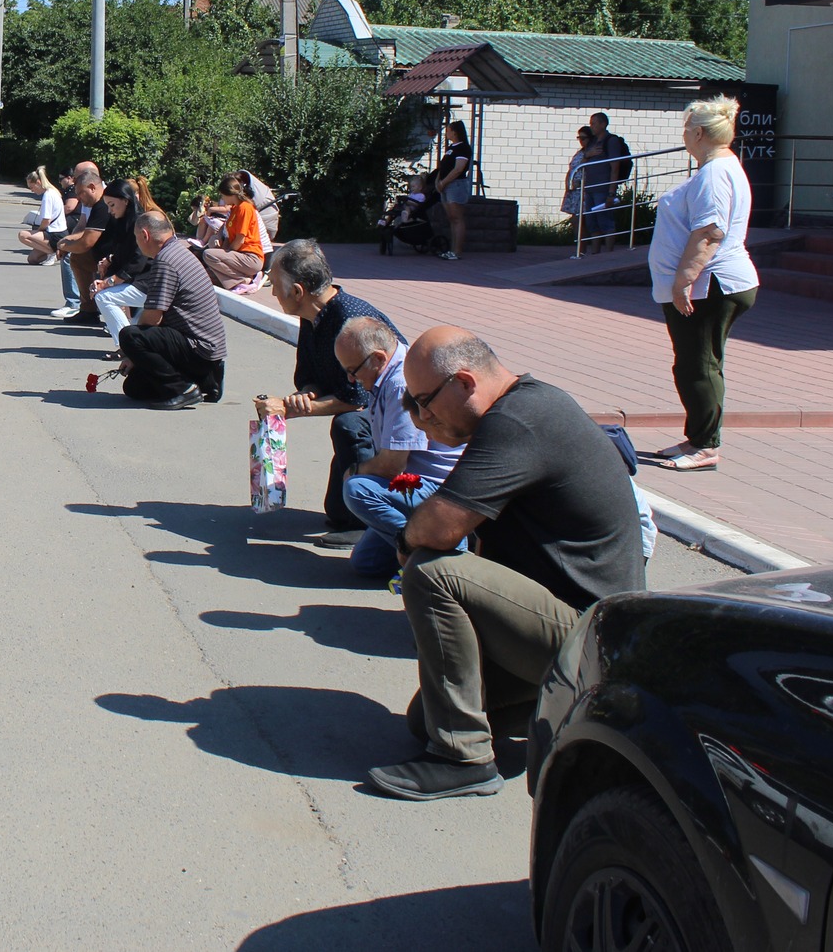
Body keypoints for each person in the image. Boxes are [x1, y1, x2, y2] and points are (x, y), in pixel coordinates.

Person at [368, 327, 644, 801]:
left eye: (424, 403)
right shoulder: (518, 411)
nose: (421, 417)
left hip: (594, 638)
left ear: (464, 383)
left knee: (432, 572)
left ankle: (463, 759)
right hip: (578, 630)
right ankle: (573, 716)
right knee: (425, 719)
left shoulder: (520, 420)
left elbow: (439, 527)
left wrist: (405, 539)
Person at [253, 240, 402, 545]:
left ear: (298, 292)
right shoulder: (313, 315)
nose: (273, 292)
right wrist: (307, 393)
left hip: (397, 411)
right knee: (336, 510)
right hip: (372, 404)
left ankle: (367, 522)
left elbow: (356, 400)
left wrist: (292, 409)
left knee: (350, 425)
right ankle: (349, 512)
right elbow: (312, 375)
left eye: (275, 285)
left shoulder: (349, 319)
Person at [647, 96, 758, 473]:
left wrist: (683, 281)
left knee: (698, 366)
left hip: (711, 285)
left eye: (685, 128)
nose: (683, 135)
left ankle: (706, 446)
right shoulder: (721, 167)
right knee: (698, 363)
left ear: (698, 133)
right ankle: (697, 438)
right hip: (713, 283)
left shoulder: (715, 173)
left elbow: (710, 231)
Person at [332, 315, 465, 579]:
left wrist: (354, 470)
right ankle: (422, 546)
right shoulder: (386, 375)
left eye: (353, 370)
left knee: (356, 488)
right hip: (415, 483)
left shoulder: (400, 383)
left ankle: (441, 555)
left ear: (378, 358)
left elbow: (392, 466)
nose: (350, 379)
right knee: (366, 562)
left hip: (438, 487)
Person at [117, 210, 227, 408]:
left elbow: (152, 319)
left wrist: (131, 353)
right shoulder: (177, 251)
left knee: (130, 336)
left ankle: (182, 389)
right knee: (134, 387)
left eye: (136, 237)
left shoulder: (165, 261)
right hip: (203, 348)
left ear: (144, 235)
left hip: (199, 349)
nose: (136, 242)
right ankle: (205, 382)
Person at [88, 179, 149, 345]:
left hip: (151, 283)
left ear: (125, 201)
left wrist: (108, 282)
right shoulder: (124, 221)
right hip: (141, 280)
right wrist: (109, 260)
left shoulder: (140, 222)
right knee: (103, 294)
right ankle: (128, 344)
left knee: (104, 297)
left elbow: (137, 261)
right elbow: (124, 252)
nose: (109, 211)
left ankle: (127, 345)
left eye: (112, 205)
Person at [53, 164, 109, 321]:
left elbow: (86, 242)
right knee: (78, 258)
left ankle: (78, 303)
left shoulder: (103, 204)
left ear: (91, 186)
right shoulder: (94, 202)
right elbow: (83, 228)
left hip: (117, 256)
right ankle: (88, 310)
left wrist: (64, 245)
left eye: (80, 193)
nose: (78, 198)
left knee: (77, 254)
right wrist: (67, 241)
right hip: (105, 252)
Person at [194, 172, 266, 289]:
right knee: (207, 274)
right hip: (239, 255)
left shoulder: (245, 208)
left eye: (223, 195)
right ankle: (236, 280)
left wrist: (226, 254)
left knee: (208, 254)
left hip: (250, 257)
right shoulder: (234, 209)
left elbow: (240, 239)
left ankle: (244, 280)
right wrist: (222, 248)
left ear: (230, 194)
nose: (222, 199)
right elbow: (228, 236)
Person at [582, 111, 632, 251]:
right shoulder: (592, 142)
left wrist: (611, 192)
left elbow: (615, 167)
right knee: (592, 223)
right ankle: (595, 253)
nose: (591, 126)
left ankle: (609, 253)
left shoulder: (611, 141)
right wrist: (588, 154)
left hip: (603, 188)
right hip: (590, 188)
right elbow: (582, 163)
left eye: (594, 124)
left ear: (603, 124)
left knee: (605, 221)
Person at [432, 120, 472, 261]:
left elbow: (458, 169)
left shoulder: (463, 148)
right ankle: (452, 250)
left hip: (456, 185)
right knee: (451, 218)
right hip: (445, 186)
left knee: (457, 218)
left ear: (455, 132)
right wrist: (438, 181)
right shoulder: (451, 148)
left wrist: (444, 182)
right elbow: (444, 166)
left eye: (448, 130)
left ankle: (457, 251)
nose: (446, 133)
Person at [16, 165, 69, 263]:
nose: (31, 190)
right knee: (32, 259)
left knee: (22, 235)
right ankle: (56, 254)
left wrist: (38, 231)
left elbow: (46, 220)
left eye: (32, 187)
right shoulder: (52, 192)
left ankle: (52, 252)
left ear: (38, 182)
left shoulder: (47, 196)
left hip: (54, 234)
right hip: (59, 232)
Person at [377, 174, 439, 255]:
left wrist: (409, 202)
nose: (411, 188)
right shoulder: (412, 195)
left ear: (420, 187)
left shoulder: (421, 196)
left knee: (407, 208)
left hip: (414, 209)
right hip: (408, 208)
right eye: (411, 187)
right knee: (393, 211)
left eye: (413, 186)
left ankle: (405, 219)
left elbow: (419, 204)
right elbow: (408, 200)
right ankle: (385, 222)